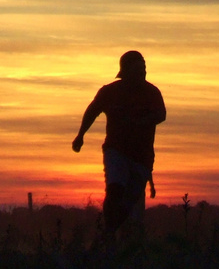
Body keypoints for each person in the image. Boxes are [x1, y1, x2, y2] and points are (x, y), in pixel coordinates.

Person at [71, 50, 167, 235]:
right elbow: (92, 111)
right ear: (126, 71)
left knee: (130, 200)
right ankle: (109, 234)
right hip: (116, 151)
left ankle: (114, 233)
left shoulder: (152, 92)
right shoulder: (109, 92)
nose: (143, 73)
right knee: (115, 190)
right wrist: (80, 135)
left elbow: (161, 115)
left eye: (144, 69)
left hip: (142, 157)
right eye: (138, 69)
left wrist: (140, 122)